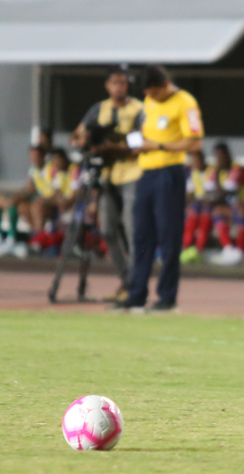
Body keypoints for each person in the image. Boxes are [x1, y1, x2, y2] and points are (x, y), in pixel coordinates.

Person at [112, 65, 203, 313]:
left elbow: (195, 142)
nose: (150, 98)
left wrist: (160, 146)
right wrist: (138, 143)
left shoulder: (186, 102)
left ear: (165, 85)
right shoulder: (149, 103)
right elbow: (146, 131)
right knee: (142, 236)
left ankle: (166, 297)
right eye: (147, 94)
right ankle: (136, 294)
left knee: (168, 237)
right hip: (146, 173)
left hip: (168, 173)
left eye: (154, 93)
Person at [71, 67, 144, 302]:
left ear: (128, 86)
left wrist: (111, 147)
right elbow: (77, 135)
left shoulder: (138, 109)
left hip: (132, 173)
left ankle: (137, 286)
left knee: (132, 229)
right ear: (107, 85)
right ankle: (127, 279)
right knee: (107, 229)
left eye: (123, 83)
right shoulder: (98, 110)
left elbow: (138, 146)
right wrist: (81, 140)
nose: (119, 87)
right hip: (105, 176)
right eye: (114, 83)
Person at [208, 142, 244, 266]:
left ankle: (239, 251)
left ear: (228, 156)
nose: (219, 160)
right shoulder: (217, 172)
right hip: (234, 207)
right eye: (217, 157)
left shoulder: (237, 170)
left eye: (221, 156)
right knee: (217, 211)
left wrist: (217, 177)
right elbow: (208, 193)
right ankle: (229, 250)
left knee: (238, 210)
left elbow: (224, 193)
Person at [181, 151, 216, 264]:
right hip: (197, 205)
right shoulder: (192, 173)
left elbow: (210, 194)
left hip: (210, 205)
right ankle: (186, 248)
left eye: (196, 161)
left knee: (204, 217)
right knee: (192, 216)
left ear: (202, 160)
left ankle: (199, 250)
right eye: (193, 161)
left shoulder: (210, 172)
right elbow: (189, 193)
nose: (195, 163)